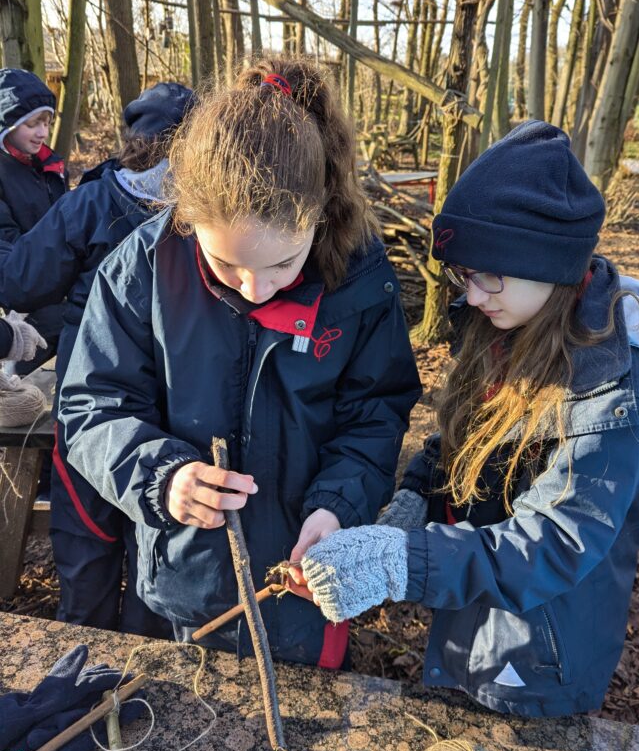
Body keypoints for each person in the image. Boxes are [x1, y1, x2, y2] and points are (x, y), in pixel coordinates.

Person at [296, 120, 639, 716]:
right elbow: (459, 443)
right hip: (471, 610)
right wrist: (411, 504)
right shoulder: (502, 323)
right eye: (462, 274)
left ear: (549, 263)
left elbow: (556, 541)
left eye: (487, 275)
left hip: (539, 651)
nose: (472, 294)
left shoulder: (610, 383)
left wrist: (405, 560)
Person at [58, 59, 422, 667]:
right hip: (177, 589)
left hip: (304, 590)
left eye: (283, 264)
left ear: (320, 214)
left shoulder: (360, 278)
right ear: (188, 218)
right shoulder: (141, 269)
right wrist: (162, 477)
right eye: (228, 266)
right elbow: (91, 408)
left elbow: (375, 416)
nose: (256, 289)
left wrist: (339, 506)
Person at [0, 82, 196, 636]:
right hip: (159, 400)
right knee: (148, 533)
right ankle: (128, 668)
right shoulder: (203, 216)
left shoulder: (92, 201)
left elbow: (21, 279)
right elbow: (17, 278)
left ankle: (93, 663)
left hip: (98, 395)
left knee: (100, 532)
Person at [0, 68, 67, 373]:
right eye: (32, 124)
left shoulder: (49, 166)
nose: (42, 132)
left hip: (58, 276)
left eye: (47, 123)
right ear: (7, 125)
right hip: (26, 294)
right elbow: (6, 242)